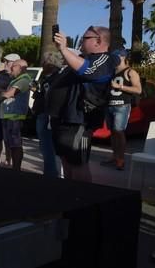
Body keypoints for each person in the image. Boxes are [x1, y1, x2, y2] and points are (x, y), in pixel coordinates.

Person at [50, 26, 117, 182]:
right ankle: (69, 196)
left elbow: (88, 71)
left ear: (98, 41)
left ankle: (82, 197)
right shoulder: (82, 57)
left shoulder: (105, 59)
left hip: (79, 120)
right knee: (66, 160)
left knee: (78, 163)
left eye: (85, 38)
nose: (81, 41)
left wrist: (64, 49)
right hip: (63, 118)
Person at [102, 49, 141, 171]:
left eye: (115, 57)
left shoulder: (130, 72)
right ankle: (114, 156)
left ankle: (121, 159)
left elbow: (138, 90)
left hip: (122, 106)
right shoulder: (112, 72)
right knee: (113, 133)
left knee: (119, 131)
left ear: (122, 57)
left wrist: (120, 87)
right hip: (109, 106)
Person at [31, 51, 63, 178]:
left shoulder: (54, 78)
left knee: (47, 148)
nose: (42, 65)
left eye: (44, 62)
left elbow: (49, 98)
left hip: (47, 116)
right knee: (45, 148)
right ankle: (49, 173)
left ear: (51, 63)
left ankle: (51, 175)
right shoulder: (48, 78)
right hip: (43, 115)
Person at [0, 59, 32, 171]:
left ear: (20, 67)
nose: (11, 68)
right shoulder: (16, 79)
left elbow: (10, 94)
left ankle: (16, 169)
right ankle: (13, 167)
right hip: (10, 116)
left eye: (13, 66)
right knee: (11, 144)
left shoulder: (24, 79)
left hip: (16, 117)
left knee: (16, 144)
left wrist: (1, 96)